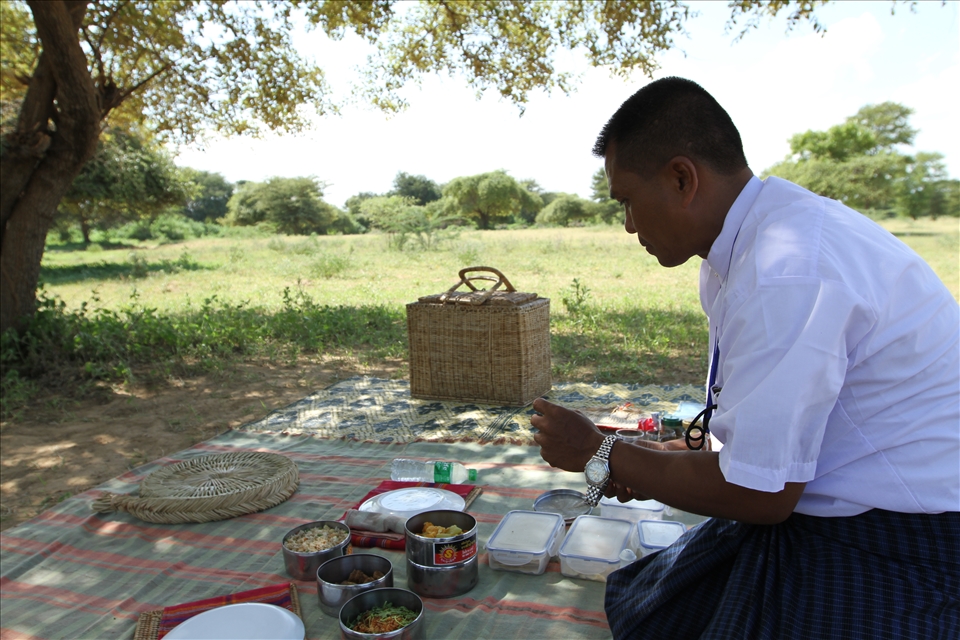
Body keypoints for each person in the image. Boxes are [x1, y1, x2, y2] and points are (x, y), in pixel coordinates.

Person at [531, 77, 959, 640]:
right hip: (828, 500)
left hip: (905, 535)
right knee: (656, 603)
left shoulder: (786, 268)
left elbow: (761, 493)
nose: (629, 224)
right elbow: (764, 432)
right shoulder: (748, 248)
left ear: (683, 178)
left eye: (628, 201)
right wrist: (646, 458)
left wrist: (603, 453)